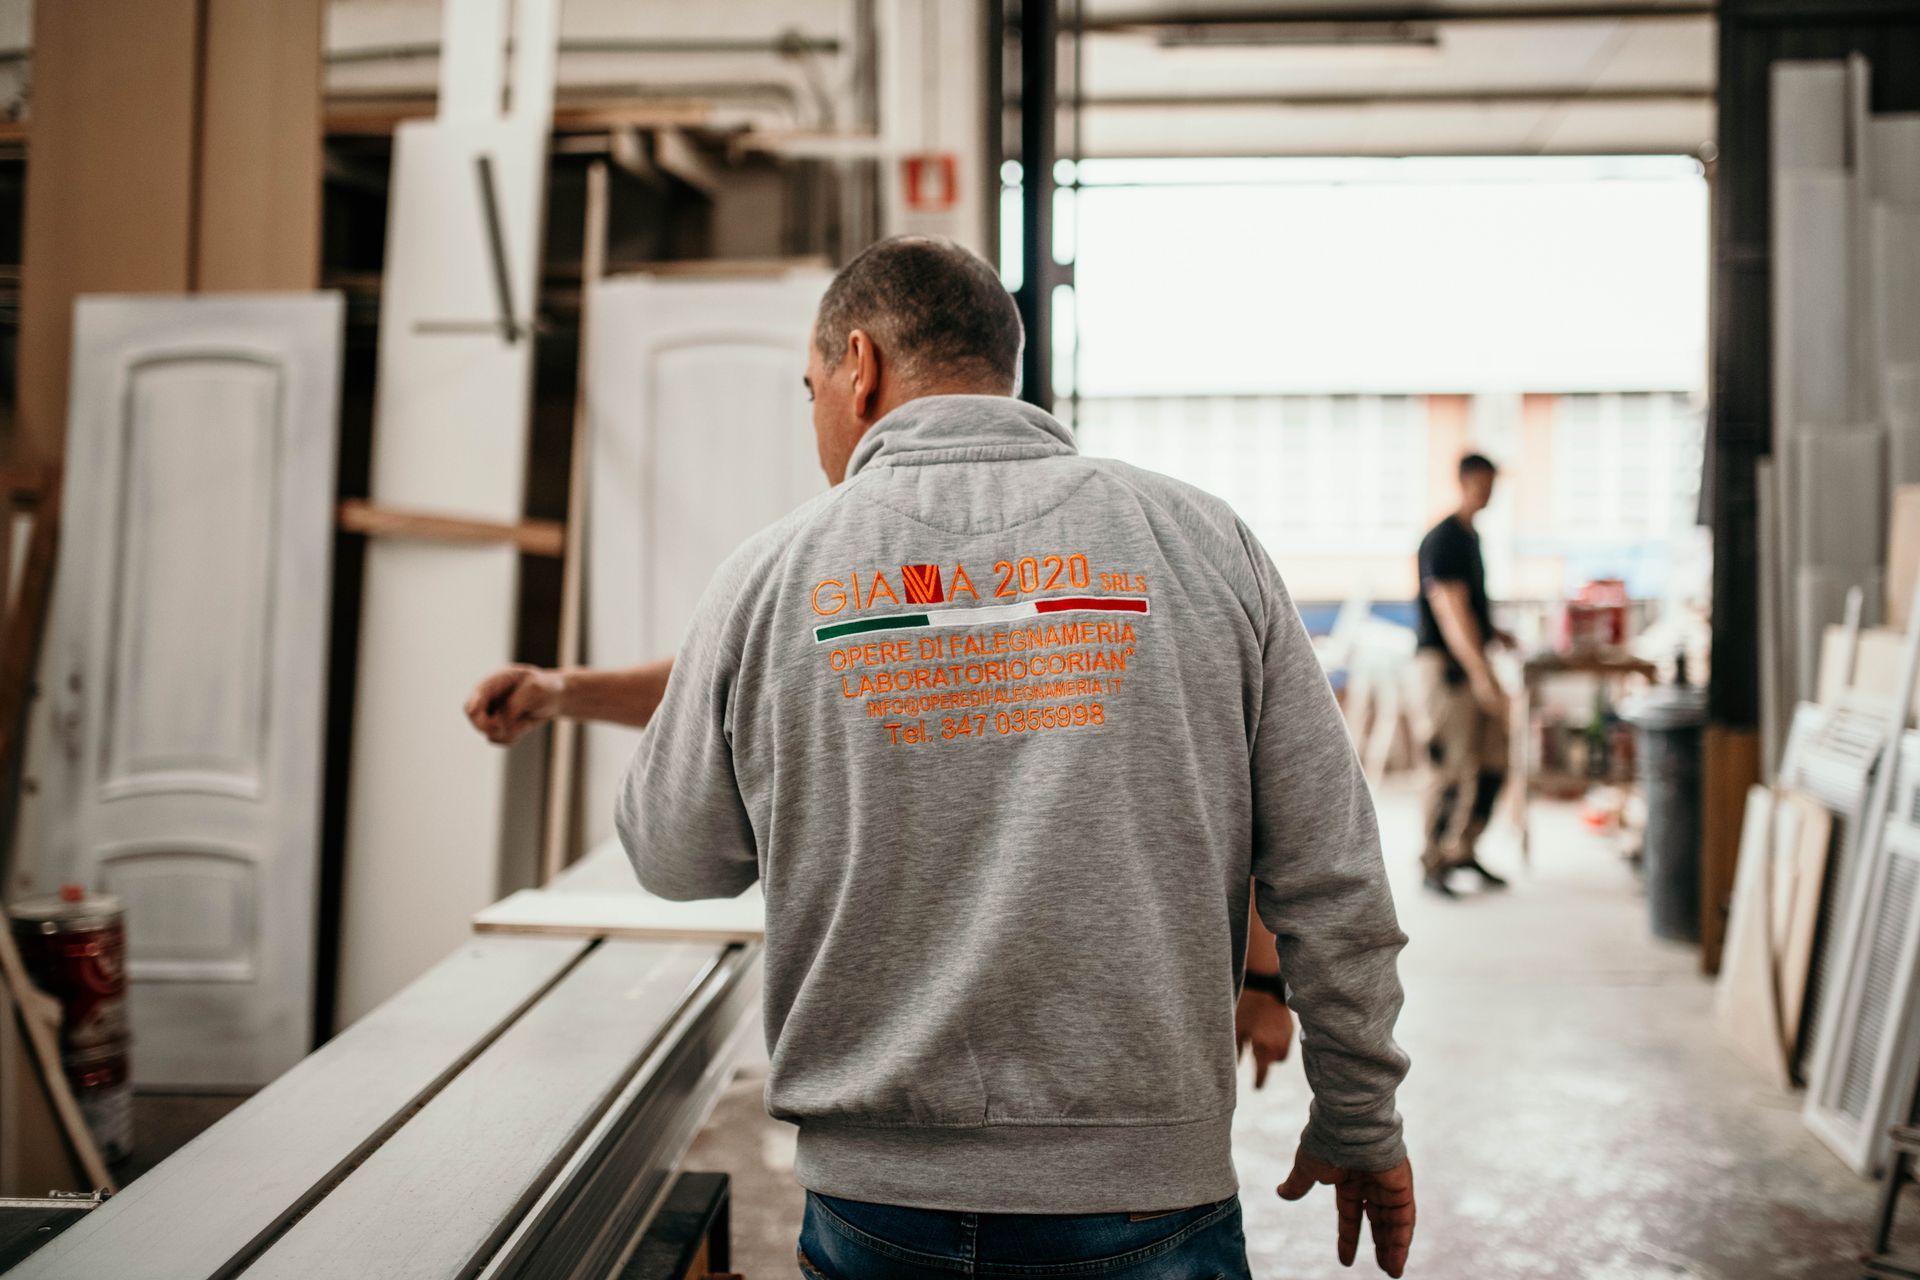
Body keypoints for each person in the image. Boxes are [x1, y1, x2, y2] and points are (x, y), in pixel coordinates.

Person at [465, 236, 1412, 1278]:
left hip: (882, 1205)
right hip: (1146, 1194)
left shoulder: (775, 573)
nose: (817, 419)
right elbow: (1334, 866)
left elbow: (674, 855)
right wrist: (1359, 1115)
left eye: (811, 387)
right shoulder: (1203, 541)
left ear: (859, 367)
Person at [1415, 452, 1516, 899]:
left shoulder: (1472, 538)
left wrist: (1497, 634)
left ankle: (1464, 848)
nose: (1487, 490)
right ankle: (1434, 859)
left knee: (1493, 761)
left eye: (1492, 482)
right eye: (1481, 482)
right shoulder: (1444, 539)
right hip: (1449, 668)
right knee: (1451, 766)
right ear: (1464, 481)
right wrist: (1481, 674)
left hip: (1475, 662)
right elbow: (1451, 611)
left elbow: (1471, 607)